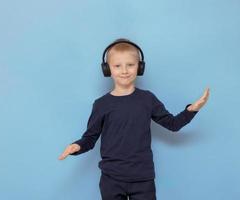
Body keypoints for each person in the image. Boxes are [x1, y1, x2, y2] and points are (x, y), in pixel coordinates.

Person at [58, 38, 210, 200]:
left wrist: (192, 110)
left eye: (130, 65)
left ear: (140, 67)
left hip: (143, 178)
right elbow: (90, 138)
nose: (124, 70)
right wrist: (77, 146)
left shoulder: (148, 99)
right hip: (111, 178)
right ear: (107, 69)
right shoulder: (101, 104)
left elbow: (172, 124)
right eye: (117, 66)